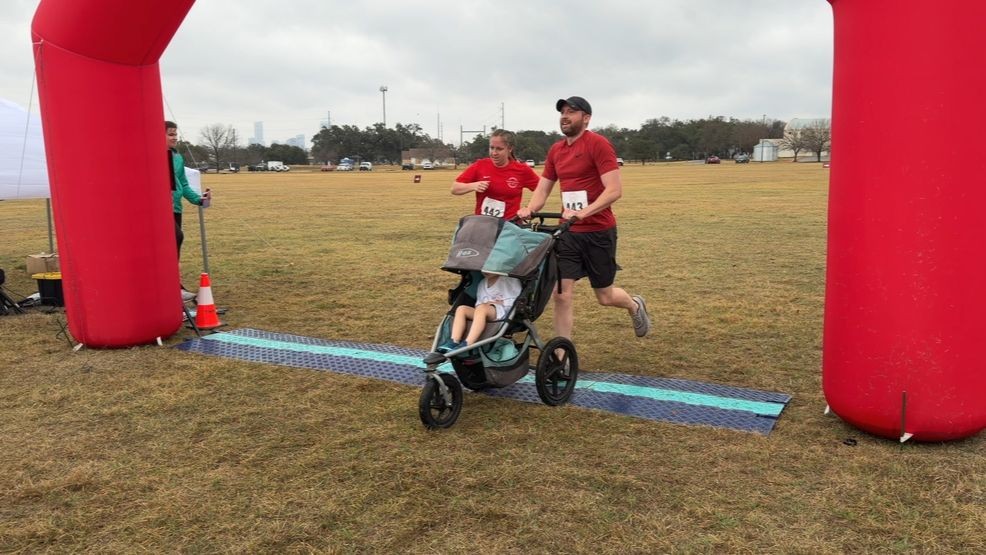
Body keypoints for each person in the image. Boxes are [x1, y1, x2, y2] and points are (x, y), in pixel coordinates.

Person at [516, 96, 650, 341]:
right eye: (562, 112)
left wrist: (583, 213)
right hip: (568, 233)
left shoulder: (598, 144)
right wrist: (530, 209)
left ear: (586, 118)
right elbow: (544, 188)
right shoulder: (556, 150)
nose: (564, 116)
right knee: (561, 294)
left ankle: (634, 305)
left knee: (605, 296)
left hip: (598, 231)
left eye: (571, 112)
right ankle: (561, 353)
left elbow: (614, 190)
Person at [166, 121, 211, 301]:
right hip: (160, 209)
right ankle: (173, 287)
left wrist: (199, 200)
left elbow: (183, 184)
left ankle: (175, 287)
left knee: (175, 246)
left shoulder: (177, 157)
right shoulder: (153, 155)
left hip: (176, 208)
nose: (174, 137)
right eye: (170, 134)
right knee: (176, 238)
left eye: (176, 134)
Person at [451, 129, 539, 220]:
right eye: (492, 148)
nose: (494, 153)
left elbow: (542, 191)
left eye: (499, 149)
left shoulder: (522, 170)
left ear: (510, 149)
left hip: (510, 227)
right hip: (483, 225)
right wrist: (473, 186)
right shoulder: (480, 165)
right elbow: (455, 188)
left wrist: (529, 208)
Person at [439, 272, 522, 352]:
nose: (486, 272)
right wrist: (483, 306)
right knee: (461, 309)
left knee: (482, 308)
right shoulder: (482, 283)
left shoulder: (509, 280)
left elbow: (516, 300)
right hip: (482, 311)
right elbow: (479, 303)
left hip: (500, 312)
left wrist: (498, 303)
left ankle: (468, 342)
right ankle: (454, 340)